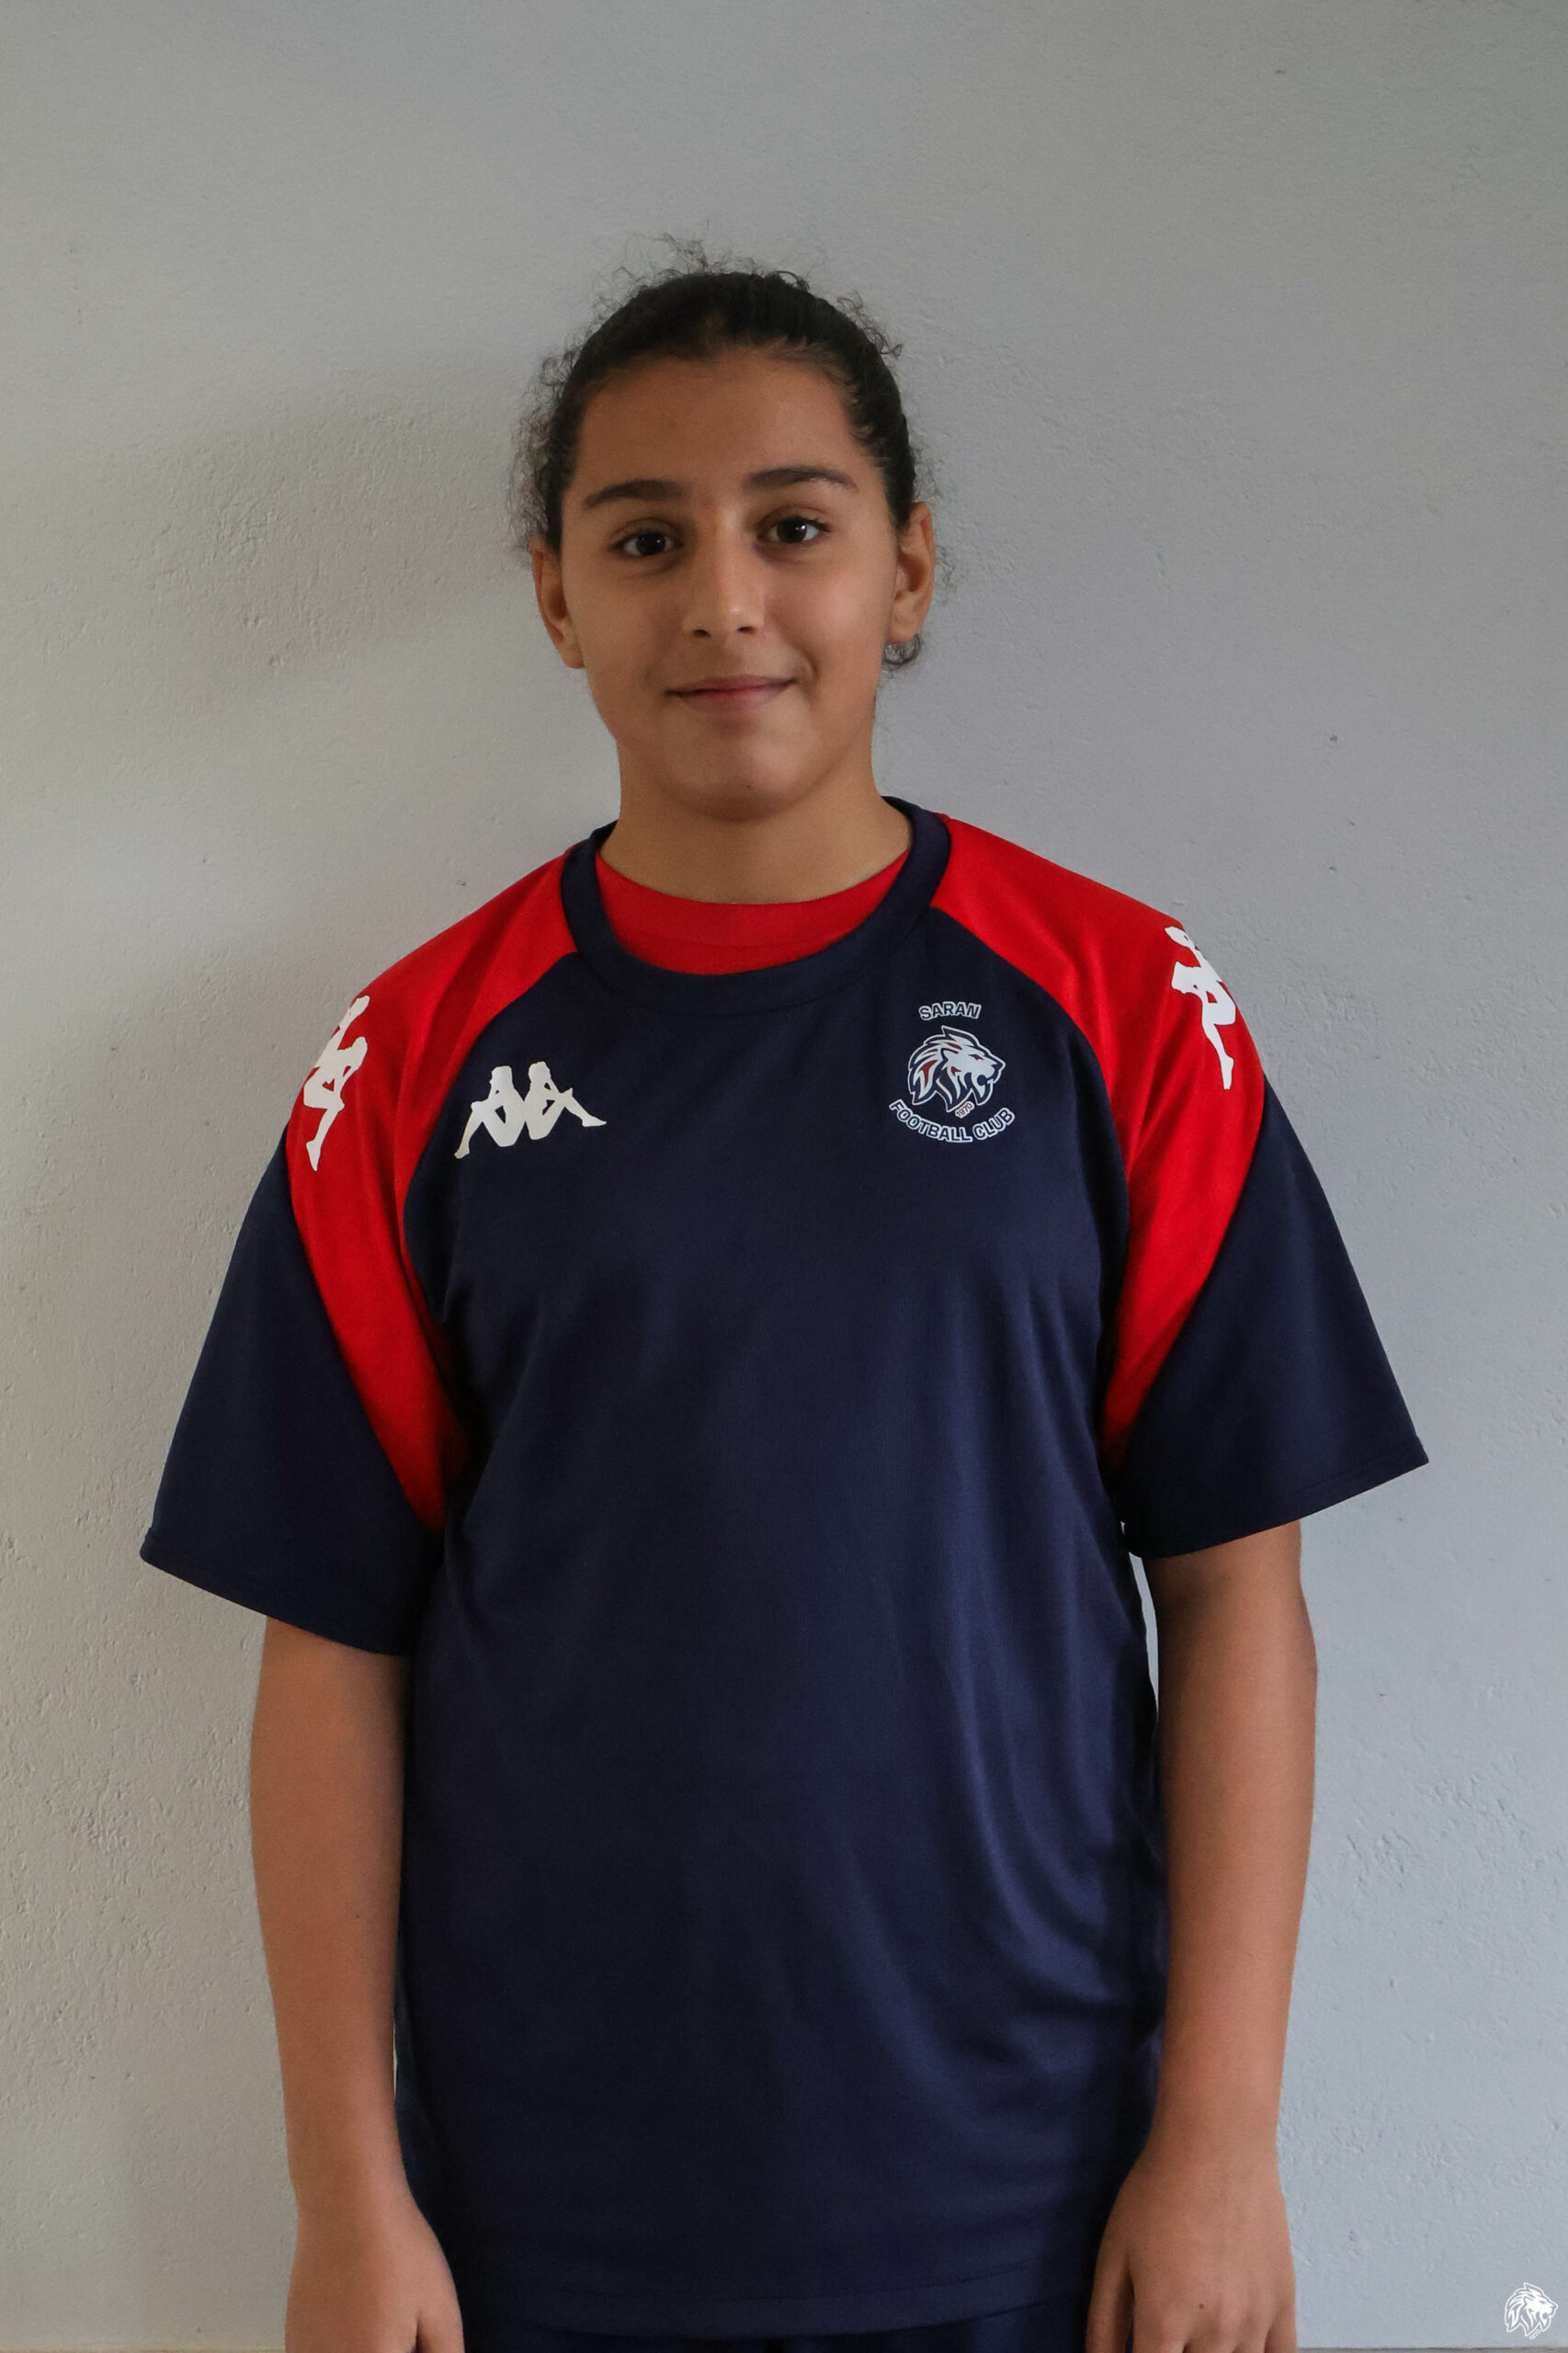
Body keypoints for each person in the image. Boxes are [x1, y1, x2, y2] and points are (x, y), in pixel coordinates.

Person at [139, 242, 1429, 2353]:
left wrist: (1217, 2136)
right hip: (546, 2206)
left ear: (903, 569)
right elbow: (330, 1648)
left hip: (1030, 2193)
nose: (722, 598)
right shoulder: (416, 1057)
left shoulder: (1120, 1007)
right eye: (645, 536)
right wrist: (346, 2191)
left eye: (794, 527)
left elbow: (1232, 1592)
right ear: (556, 594)